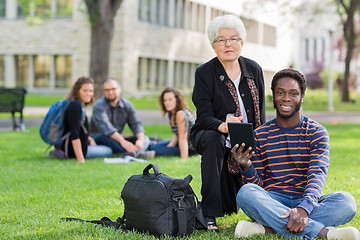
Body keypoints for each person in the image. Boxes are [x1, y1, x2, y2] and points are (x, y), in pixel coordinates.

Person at [232, 69, 359, 239]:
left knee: (347, 202)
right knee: (246, 193)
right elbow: (258, 186)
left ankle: (267, 228)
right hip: (272, 200)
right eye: (280, 93)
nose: (286, 98)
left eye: (293, 93)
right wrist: (246, 166)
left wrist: (303, 209)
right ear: (273, 95)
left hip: (306, 199)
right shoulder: (260, 135)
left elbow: (317, 174)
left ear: (302, 96)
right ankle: (324, 233)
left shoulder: (317, 132)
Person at [190, 14, 266, 231]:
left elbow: (260, 113)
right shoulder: (204, 73)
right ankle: (209, 215)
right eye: (221, 40)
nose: (228, 44)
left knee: (231, 207)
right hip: (211, 132)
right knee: (215, 138)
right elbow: (203, 117)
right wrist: (223, 125)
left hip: (244, 136)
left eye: (233, 38)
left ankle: (264, 204)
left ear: (241, 42)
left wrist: (260, 139)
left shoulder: (254, 69)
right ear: (213, 46)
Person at [90, 78, 155, 158]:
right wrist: (123, 141)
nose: (110, 92)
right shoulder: (99, 106)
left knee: (145, 139)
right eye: (107, 90)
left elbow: (136, 125)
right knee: (104, 137)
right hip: (101, 137)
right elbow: (107, 129)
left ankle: (132, 152)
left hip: (118, 138)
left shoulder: (127, 105)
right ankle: (137, 152)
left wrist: (140, 140)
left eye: (113, 89)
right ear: (104, 92)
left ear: (119, 89)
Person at [57, 76, 113, 163]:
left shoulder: (77, 105)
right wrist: (81, 159)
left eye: (90, 91)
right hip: (71, 151)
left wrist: (89, 139)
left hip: (80, 146)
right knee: (108, 150)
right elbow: (74, 135)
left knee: (102, 143)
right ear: (77, 91)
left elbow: (80, 129)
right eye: (85, 91)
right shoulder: (74, 106)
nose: (88, 94)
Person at [148, 87, 196, 160]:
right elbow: (177, 134)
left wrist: (184, 160)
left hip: (190, 148)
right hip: (179, 143)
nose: (167, 102)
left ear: (177, 100)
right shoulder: (171, 113)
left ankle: (151, 146)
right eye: (165, 100)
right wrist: (169, 147)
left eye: (170, 100)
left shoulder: (180, 114)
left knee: (154, 150)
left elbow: (183, 138)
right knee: (153, 147)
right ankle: (153, 143)